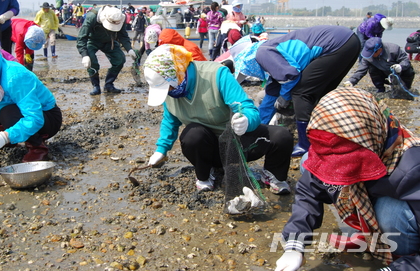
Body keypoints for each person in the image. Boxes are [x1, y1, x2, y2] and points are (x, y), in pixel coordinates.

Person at [275, 87, 420, 271]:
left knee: (391, 213)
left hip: (397, 217)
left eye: (347, 161)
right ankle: (369, 235)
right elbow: (308, 191)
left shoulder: (412, 167)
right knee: (307, 162)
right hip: (371, 195)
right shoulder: (332, 139)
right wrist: (294, 244)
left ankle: (400, 254)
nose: (339, 171)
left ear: (370, 138)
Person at [143, 44, 294, 194]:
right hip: (209, 150)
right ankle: (205, 173)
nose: (167, 92)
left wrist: (246, 120)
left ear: (177, 74)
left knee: (282, 136)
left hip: (238, 144)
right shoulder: (171, 93)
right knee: (192, 135)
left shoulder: (216, 75)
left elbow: (248, 108)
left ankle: (273, 175)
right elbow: (170, 120)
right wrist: (161, 150)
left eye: (166, 86)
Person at [233, 25, 360, 157]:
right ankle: (323, 136)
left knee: (301, 93)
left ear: (247, 59)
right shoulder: (270, 52)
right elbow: (270, 97)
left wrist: (284, 97)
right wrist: (256, 127)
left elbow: (291, 76)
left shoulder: (262, 52)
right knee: (318, 94)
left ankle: (305, 145)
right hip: (349, 42)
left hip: (336, 44)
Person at [77, 5, 137, 95]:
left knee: (120, 59)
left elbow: (123, 35)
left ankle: (109, 84)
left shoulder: (120, 18)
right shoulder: (92, 16)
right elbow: (81, 38)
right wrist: (84, 55)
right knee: (92, 61)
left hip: (110, 41)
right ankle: (96, 86)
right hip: (92, 41)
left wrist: (129, 49)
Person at [344, 37, 415, 93]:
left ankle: (405, 87)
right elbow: (361, 70)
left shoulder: (394, 49)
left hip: (398, 73)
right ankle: (380, 89)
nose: (370, 56)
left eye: (372, 53)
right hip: (384, 74)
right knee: (372, 69)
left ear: (379, 50)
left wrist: (400, 67)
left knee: (408, 70)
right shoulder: (368, 57)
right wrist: (351, 81)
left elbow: (405, 60)